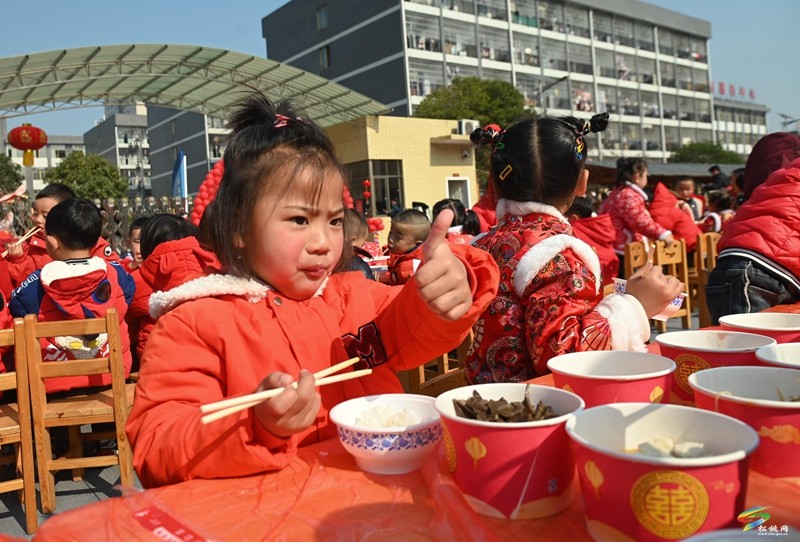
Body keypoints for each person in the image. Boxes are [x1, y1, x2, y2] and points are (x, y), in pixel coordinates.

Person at [125, 92, 498, 487]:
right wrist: (257, 426)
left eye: (334, 221)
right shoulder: (195, 324)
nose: (323, 241)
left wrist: (455, 281)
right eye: (300, 219)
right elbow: (156, 444)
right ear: (237, 227)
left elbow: (413, 326)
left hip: (375, 503)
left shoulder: (356, 298)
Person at [466, 115, 682, 382]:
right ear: (583, 182)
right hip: (536, 407)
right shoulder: (557, 256)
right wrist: (634, 305)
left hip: (481, 398)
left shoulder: (481, 245)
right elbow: (565, 356)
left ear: (495, 182)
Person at [8, 197, 135, 394]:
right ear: (96, 239)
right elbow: (128, 294)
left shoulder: (36, 284)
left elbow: (16, 307)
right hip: (111, 378)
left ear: (51, 242)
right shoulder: (117, 275)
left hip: (55, 385)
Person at [705, 132, 800, 323]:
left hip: (745, 262)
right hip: (761, 269)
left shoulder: (784, 174)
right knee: (746, 347)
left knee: (745, 345)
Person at [126, 214, 220, 362]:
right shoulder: (212, 264)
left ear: (148, 244)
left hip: (157, 357)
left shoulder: (139, 279)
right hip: (210, 352)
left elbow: (127, 316)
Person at [5, 183, 120, 288]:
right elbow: (27, 285)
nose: (38, 220)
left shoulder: (88, 239)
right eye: (35, 213)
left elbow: (113, 272)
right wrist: (18, 260)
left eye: (45, 216)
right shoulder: (30, 245)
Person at [599, 157, 675, 277]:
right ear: (637, 176)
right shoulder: (628, 195)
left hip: (616, 245)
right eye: (646, 175)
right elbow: (640, 221)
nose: (646, 179)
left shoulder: (616, 193)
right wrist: (662, 234)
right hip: (624, 249)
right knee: (628, 284)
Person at [565, 195, 619, 289]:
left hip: (593, 290)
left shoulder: (573, 231)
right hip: (611, 284)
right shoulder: (600, 226)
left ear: (573, 218)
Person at [385, 209, 430, 285]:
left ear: (417, 243)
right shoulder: (401, 255)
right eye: (390, 232)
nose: (391, 239)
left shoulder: (414, 268)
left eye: (398, 237)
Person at [342, 208, 375, 280]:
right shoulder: (359, 266)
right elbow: (369, 289)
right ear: (352, 241)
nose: (362, 248)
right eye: (362, 244)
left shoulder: (328, 263)